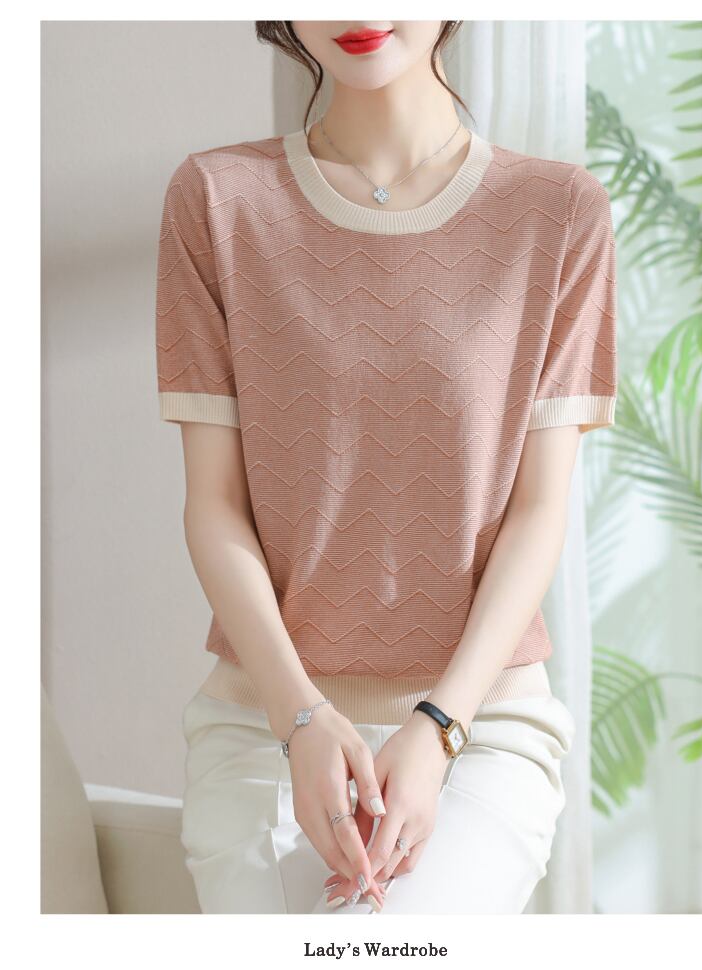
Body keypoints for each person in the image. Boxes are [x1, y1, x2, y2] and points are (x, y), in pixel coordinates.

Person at [154, 20, 617, 914]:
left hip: (479, 728)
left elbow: (538, 512)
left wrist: (439, 726)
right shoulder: (216, 200)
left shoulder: (557, 211)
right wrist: (299, 718)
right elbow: (214, 507)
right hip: (265, 725)